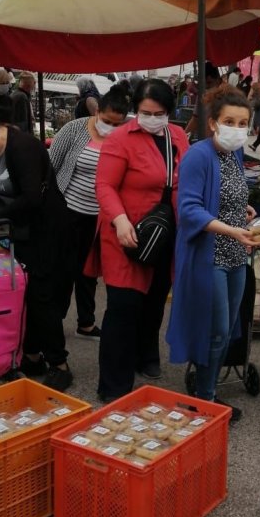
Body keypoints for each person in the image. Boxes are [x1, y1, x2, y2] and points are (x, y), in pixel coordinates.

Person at [0, 105, 73, 391]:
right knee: (25, 293)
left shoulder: (23, 148)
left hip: (46, 233)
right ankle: (31, 356)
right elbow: (0, 191)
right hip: (19, 234)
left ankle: (59, 363)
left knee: (42, 297)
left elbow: (32, 198)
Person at [88, 78, 190, 400]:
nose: (151, 118)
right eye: (145, 112)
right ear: (136, 111)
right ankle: (114, 387)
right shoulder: (121, 139)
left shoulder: (177, 135)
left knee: (155, 298)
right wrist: (119, 220)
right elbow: (104, 186)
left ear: (169, 112)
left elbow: (185, 178)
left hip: (165, 231)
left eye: (158, 112)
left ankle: (145, 355)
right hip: (126, 232)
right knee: (123, 305)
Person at [168, 86, 260, 421]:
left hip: (237, 255)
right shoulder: (198, 156)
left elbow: (226, 194)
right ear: (213, 123)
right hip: (210, 258)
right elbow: (189, 210)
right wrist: (231, 228)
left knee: (226, 328)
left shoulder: (233, 155)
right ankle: (204, 399)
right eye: (230, 121)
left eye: (243, 122)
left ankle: (206, 392)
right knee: (216, 330)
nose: (238, 128)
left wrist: (244, 208)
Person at [49, 86, 129, 340]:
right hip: (68, 211)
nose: (110, 127)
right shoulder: (74, 130)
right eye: (106, 121)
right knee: (63, 269)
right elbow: (52, 166)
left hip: (102, 217)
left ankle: (86, 321)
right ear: (97, 112)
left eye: (116, 124)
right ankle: (54, 320)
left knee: (89, 272)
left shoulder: (124, 137)